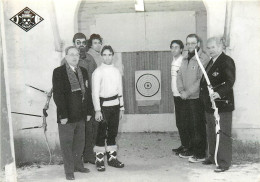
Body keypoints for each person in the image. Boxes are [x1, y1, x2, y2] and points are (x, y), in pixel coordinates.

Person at [52, 46, 94, 180]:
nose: (75, 57)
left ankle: (78, 166)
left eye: (76, 54)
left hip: (81, 115)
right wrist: (63, 115)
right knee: (67, 144)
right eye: (71, 54)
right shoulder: (59, 72)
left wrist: (88, 112)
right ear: (66, 57)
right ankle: (69, 171)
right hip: (67, 117)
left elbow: (87, 93)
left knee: (79, 143)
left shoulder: (83, 71)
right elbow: (58, 95)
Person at [200, 37, 235, 172]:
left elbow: (229, 81)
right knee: (211, 132)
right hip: (210, 105)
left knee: (223, 133)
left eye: (213, 47)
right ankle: (213, 156)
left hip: (222, 104)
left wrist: (219, 93)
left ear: (220, 47)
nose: (210, 50)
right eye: (208, 48)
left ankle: (224, 162)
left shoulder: (226, 61)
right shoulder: (211, 61)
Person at [177, 34, 210, 163]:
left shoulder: (203, 58)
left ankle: (200, 153)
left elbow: (200, 80)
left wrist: (188, 92)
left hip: (196, 98)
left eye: (192, 43)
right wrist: (181, 91)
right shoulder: (185, 57)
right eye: (188, 43)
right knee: (188, 125)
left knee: (198, 126)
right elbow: (179, 75)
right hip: (185, 97)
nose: (190, 45)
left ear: (198, 44)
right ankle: (191, 149)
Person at [92, 45, 125, 172]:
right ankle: (99, 160)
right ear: (101, 56)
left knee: (113, 133)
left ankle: (112, 159)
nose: (107, 57)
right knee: (101, 133)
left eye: (109, 55)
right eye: (104, 55)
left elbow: (120, 90)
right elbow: (95, 93)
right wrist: (97, 110)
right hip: (103, 107)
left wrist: (121, 107)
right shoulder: (98, 72)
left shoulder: (116, 71)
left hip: (115, 106)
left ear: (113, 55)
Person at [170, 40, 188, 155]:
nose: (174, 49)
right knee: (179, 122)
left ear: (181, 49)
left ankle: (187, 147)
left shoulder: (182, 60)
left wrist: (183, 92)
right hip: (175, 95)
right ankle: (184, 145)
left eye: (176, 47)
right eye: (172, 47)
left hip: (182, 96)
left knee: (184, 122)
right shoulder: (174, 60)